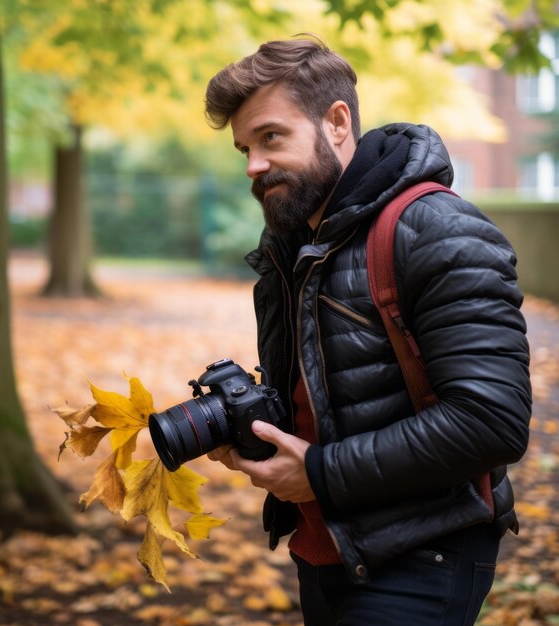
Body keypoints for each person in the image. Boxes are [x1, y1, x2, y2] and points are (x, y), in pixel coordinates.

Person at [204, 35, 531, 626]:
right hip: (325, 552)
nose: (253, 165)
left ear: (336, 122)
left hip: (424, 553)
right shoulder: (292, 249)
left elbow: (492, 421)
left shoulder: (437, 229)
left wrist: (320, 474)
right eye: (244, 148)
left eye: (271, 137)